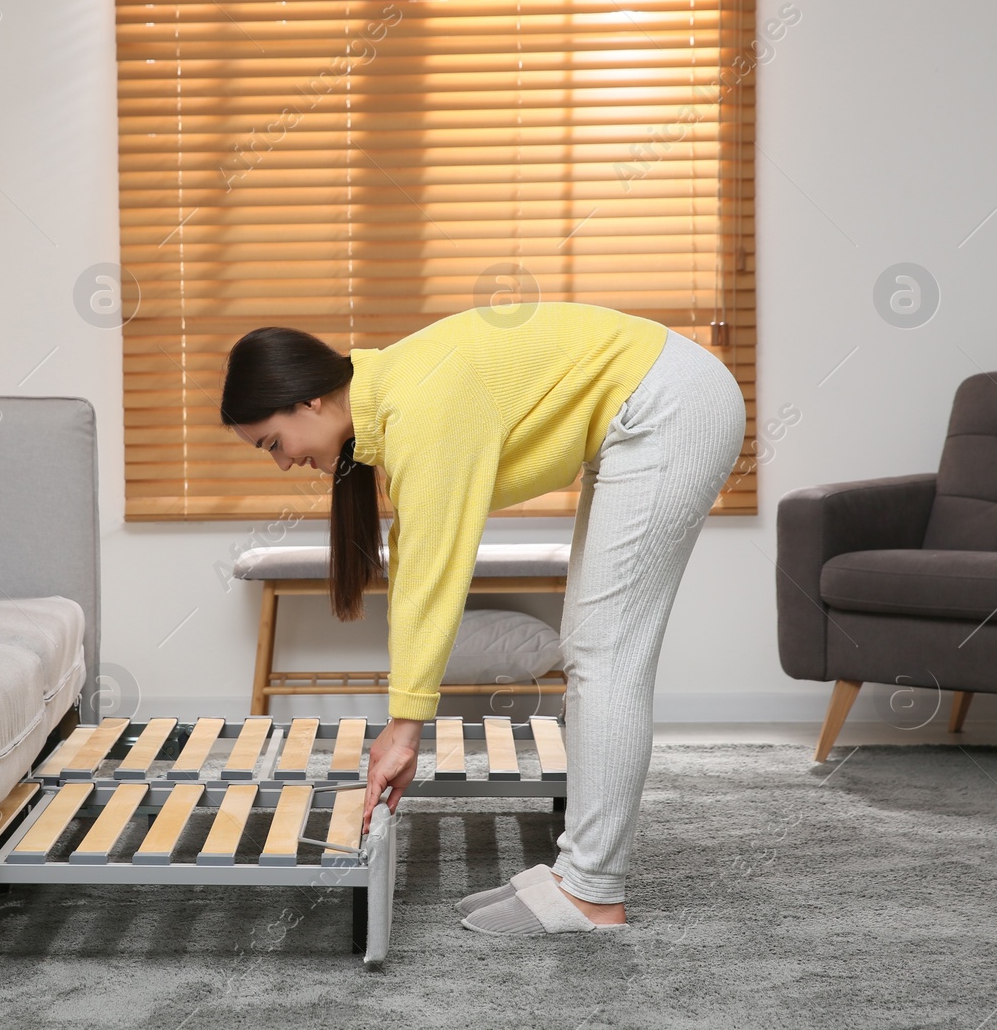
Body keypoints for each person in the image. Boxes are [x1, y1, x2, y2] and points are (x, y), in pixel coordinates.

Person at [218, 300, 745, 937]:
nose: (281, 462)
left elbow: (433, 573)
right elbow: (415, 551)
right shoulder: (396, 402)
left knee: (607, 659)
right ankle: (578, 872)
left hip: (668, 406)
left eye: (275, 442)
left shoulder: (418, 404)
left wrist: (405, 729)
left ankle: (593, 894)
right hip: (646, 411)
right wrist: (405, 722)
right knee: (592, 652)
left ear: (309, 402)